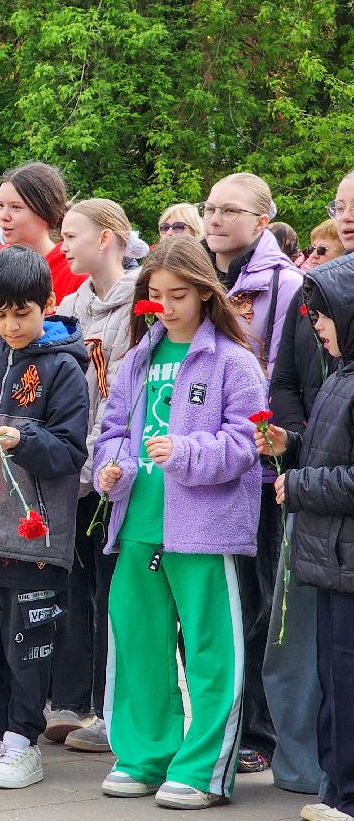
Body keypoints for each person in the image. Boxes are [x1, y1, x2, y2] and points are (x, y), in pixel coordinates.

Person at [92, 236, 266, 809]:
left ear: (204, 293)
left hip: (205, 528)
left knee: (213, 651)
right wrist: (107, 469)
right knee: (138, 644)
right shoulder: (139, 358)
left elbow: (248, 441)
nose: (165, 306)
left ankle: (203, 770)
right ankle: (143, 756)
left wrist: (187, 453)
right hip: (138, 520)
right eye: (156, 296)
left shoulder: (233, 361)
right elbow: (111, 429)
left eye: (179, 295)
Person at [0, 247, 89, 790]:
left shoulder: (64, 369)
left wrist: (23, 437)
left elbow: (72, 452)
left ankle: (23, 741)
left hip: (36, 537)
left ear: (48, 304)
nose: (11, 325)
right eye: (0, 314)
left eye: (22, 313)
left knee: (26, 643)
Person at [202, 171, 303, 775]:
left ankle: (260, 731)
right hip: (209, 459)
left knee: (263, 599)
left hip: (261, 465)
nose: (214, 219)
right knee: (226, 598)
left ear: (262, 222)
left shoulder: (285, 285)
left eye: (229, 210)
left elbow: (282, 375)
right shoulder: (206, 277)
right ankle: (226, 719)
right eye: (209, 208)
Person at [263, 175, 354, 797]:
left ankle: (344, 795)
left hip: (342, 554)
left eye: (324, 315)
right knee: (332, 676)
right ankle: (334, 788)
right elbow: (323, 445)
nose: (316, 326)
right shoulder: (340, 376)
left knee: (346, 681)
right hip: (329, 559)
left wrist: (298, 486)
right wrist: (288, 445)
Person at [48, 198, 147, 753]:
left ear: (107, 237)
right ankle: (78, 699)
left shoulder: (141, 301)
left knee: (117, 589)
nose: (64, 245)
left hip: (119, 464)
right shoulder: (71, 303)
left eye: (73, 234)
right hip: (76, 465)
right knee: (78, 584)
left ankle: (118, 709)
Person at [0, 162, 88, 308]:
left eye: (16, 207)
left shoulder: (75, 271)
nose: (3, 216)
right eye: (1, 206)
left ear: (45, 211)